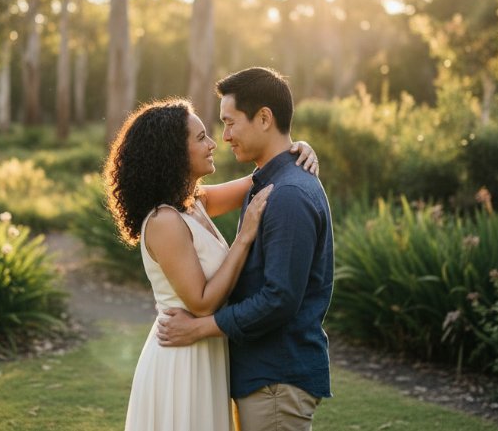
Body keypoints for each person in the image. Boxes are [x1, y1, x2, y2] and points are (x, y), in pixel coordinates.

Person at [103, 97, 320, 431]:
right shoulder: (164, 221)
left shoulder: (194, 203)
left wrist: (297, 149)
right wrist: (244, 237)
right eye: (201, 137)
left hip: (207, 351)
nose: (213, 143)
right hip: (181, 358)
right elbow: (202, 303)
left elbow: (264, 179)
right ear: (173, 153)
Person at [157, 67, 334, 431]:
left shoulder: (288, 196)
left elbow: (279, 299)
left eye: (230, 123)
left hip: (276, 379)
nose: (224, 137)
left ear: (264, 118)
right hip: (262, 377)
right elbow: (191, 200)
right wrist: (293, 149)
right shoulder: (269, 182)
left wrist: (201, 328)